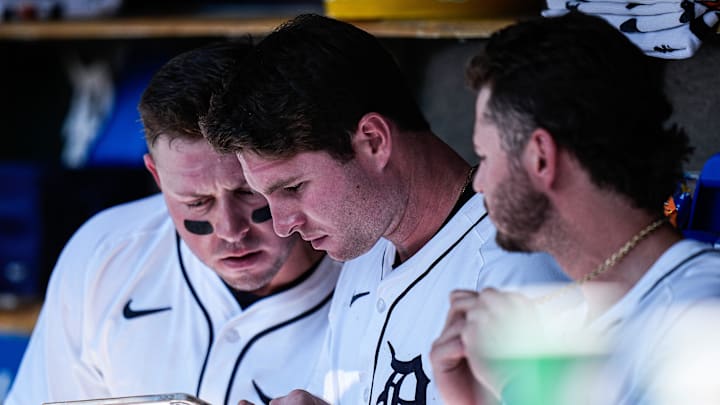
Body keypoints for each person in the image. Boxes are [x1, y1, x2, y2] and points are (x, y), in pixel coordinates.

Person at [202, 14, 569, 405]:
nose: (282, 224)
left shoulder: (521, 266)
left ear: (374, 141)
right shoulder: (367, 247)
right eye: (265, 195)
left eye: (293, 187)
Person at [5, 41, 341, 405]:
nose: (229, 229)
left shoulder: (369, 275)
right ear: (158, 177)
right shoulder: (105, 252)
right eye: (197, 202)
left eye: (248, 193)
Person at [429, 12, 720, 405]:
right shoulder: (577, 320)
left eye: (485, 155)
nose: (479, 183)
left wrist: (517, 382)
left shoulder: (699, 313)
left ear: (541, 159)